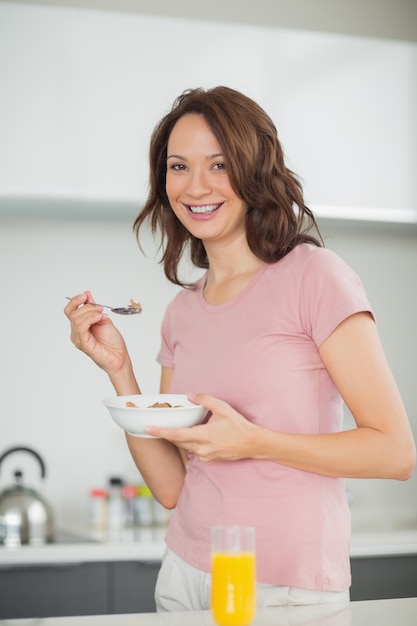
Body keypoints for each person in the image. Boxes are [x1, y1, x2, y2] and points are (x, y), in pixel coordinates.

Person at [64, 86, 415, 611]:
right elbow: (171, 489)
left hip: (284, 585)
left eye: (220, 164)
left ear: (254, 170)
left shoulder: (315, 277)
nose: (196, 186)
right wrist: (121, 373)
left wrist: (254, 441)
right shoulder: (181, 311)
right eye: (178, 166)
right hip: (185, 571)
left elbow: (395, 453)